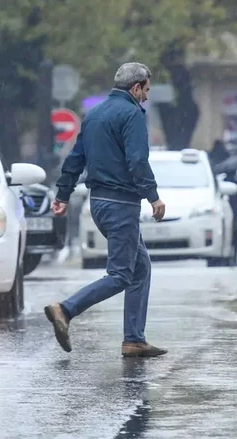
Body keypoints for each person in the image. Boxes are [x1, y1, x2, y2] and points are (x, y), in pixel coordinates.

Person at [46, 62, 168, 358]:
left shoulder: (95, 114)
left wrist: (62, 193)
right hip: (121, 205)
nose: (147, 97)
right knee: (121, 274)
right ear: (135, 87)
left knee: (140, 267)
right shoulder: (133, 115)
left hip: (98, 203)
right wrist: (153, 197)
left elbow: (76, 158)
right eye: (146, 90)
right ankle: (66, 309)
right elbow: (137, 161)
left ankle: (134, 339)